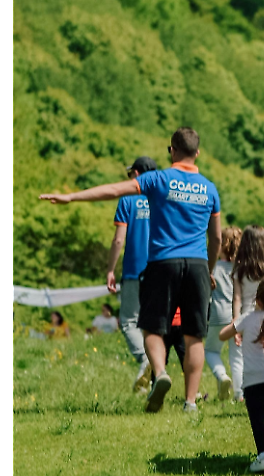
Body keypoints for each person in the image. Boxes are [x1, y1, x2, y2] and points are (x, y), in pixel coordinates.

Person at [40, 127, 222, 414]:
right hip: (198, 264)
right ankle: (190, 403)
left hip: (163, 262)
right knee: (193, 336)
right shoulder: (210, 189)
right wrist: (208, 269)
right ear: (197, 153)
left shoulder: (158, 179)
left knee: (151, 327)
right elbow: (217, 239)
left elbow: (114, 190)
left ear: (172, 151)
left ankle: (160, 372)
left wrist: (71, 197)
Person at [220, 277, 264, 472]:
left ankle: (263, 455)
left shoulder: (248, 318)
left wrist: (236, 327)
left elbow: (222, 335)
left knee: (258, 417)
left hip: (254, 378)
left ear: (257, 300)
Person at [105, 156, 158, 391]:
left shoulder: (128, 200)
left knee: (128, 322)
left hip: (135, 270)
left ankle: (145, 359)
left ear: (136, 174)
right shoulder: (163, 199)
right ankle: (152, 379)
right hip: (161, 269)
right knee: (154, 324)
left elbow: (119, 240)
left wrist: (110, 269)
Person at [231, 225, 264, 403]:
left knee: (237, 356)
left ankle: (239, 393)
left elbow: (237, 298)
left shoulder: (240, 269)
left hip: (246, 316)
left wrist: (235, 320)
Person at [205, 226, 242, 401]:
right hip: (238, 316)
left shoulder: (213, 267)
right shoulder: (241, 269)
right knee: (237, 356)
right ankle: (239, 394)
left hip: (218, 314)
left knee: (211, 351)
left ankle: (221, 376)